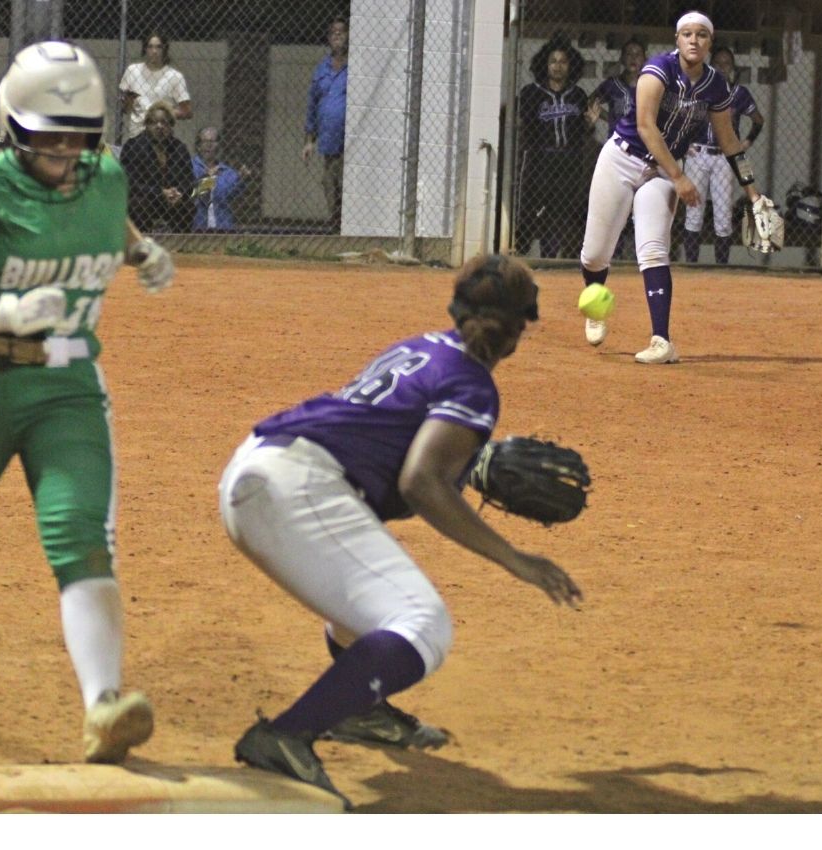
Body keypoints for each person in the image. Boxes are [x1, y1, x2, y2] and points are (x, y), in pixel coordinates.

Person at [0, 41, 174, 767]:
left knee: (81, 534)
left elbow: (109, 221)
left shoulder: (104, 175)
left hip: (68, 388)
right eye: (45, 132)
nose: (61, 148)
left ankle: (103, 708)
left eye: (76, 133)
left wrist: (142, 253)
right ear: (11, 125)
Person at [218, 254, 582, 807]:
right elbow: (421, 481)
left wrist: (472, 463)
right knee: (422, 625)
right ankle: (286, 736)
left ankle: (361, 710)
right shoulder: (474, 385)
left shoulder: (422, 347)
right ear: (520, 329)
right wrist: (517, 560)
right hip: (296, 489)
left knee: (366, 604)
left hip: (261, 470)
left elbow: (389, 438)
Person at [578, 11, 776, 364]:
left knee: (653, 250)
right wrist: (681, 177)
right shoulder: (657, 70)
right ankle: (596, 302)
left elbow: (729, 141)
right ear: (677, 40)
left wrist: (753, 193)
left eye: (702, 35)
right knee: (595, 254)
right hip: (622, 159)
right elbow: (645, 127)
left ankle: (662, 342)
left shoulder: (715, 84)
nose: (694, 40)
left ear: (710, 43)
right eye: (687, 34)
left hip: (660, 173)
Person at [681, 46, 766, 265]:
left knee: (723, 216)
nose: (721, 67)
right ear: (710, 65)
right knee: (693, 213)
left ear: (733, 68)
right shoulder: (699, 89)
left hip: (725, 157)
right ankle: (691, 265)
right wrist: (683, 144)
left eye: (726, 63)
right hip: (697, 152)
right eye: (717, 63)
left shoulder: (739, 93)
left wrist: (746, 142)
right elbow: (682, 118)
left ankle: (721, 268)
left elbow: (758, 119)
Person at [515, 35, 596, 259]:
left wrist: (589, 124)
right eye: (553, 61)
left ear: (571, 66)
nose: (558, 66)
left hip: (567, 161)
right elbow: (524, 127)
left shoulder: (577, 95)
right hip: (539, 160)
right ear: (545, 64)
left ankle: (549, 257)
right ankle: (522, 252)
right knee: (530, 210)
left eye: (563, 62)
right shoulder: (531, 93)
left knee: (559, 212)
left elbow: (581, 132)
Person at [588, 37, 647, 260]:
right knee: (617, 205)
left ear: (645, 58)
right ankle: (617, 253)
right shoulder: (613, 84)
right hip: (618, 151)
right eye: (629, 54)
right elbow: (591, 101)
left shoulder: (650, 83)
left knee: (641, 206)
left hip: (644, 152)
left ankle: (638, 255)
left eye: (638, 54)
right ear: (622, 58)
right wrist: (607, 117)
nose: (633, 58)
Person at [303, 16, 349, 227]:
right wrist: (309, 140)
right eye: (333, 32)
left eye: (342, 31)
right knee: (329, 180)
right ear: (329, 38)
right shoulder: (322, 68)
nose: (337, 35)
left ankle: (344, 221)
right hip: (329, 137)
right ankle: (336, 220)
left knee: (344, 180)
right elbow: (313, 104)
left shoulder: (356, 66)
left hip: (349, 137)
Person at [121, 101, 194, 233]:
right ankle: (142, 242)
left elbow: (189, 179)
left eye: (164, 122)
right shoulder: (134, 146)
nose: (159, 126)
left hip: (172, 200)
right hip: (146, 198)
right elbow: (129, 181)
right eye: (154, 122)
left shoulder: (179, 148)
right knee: (138, 205)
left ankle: (180, 246)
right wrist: (159, 193)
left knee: (188, 207)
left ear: (171, 126)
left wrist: (179, 193)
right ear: (147, 125)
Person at [118, 30, 192, 140]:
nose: (154, 51)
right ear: (145, 49)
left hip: (162, 136)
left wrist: (162, 113)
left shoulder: (175, 76)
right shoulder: (133, 71)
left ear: (164, 49)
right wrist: (128, 101)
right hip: (136, 135)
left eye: (158, 47)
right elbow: (125, 109)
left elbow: (187, 112)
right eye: (150, 47)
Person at [191, 126, 250, 232]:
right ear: (198, 146)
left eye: (213, 141)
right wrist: (208, 179)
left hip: (223, 226)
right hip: (196, 226)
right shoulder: (189, 167)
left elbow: (231, 196)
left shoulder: (227, 172)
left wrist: (242, 179)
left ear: (219, 145)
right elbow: (191, 194)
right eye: (205, 141)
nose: (209, 145)